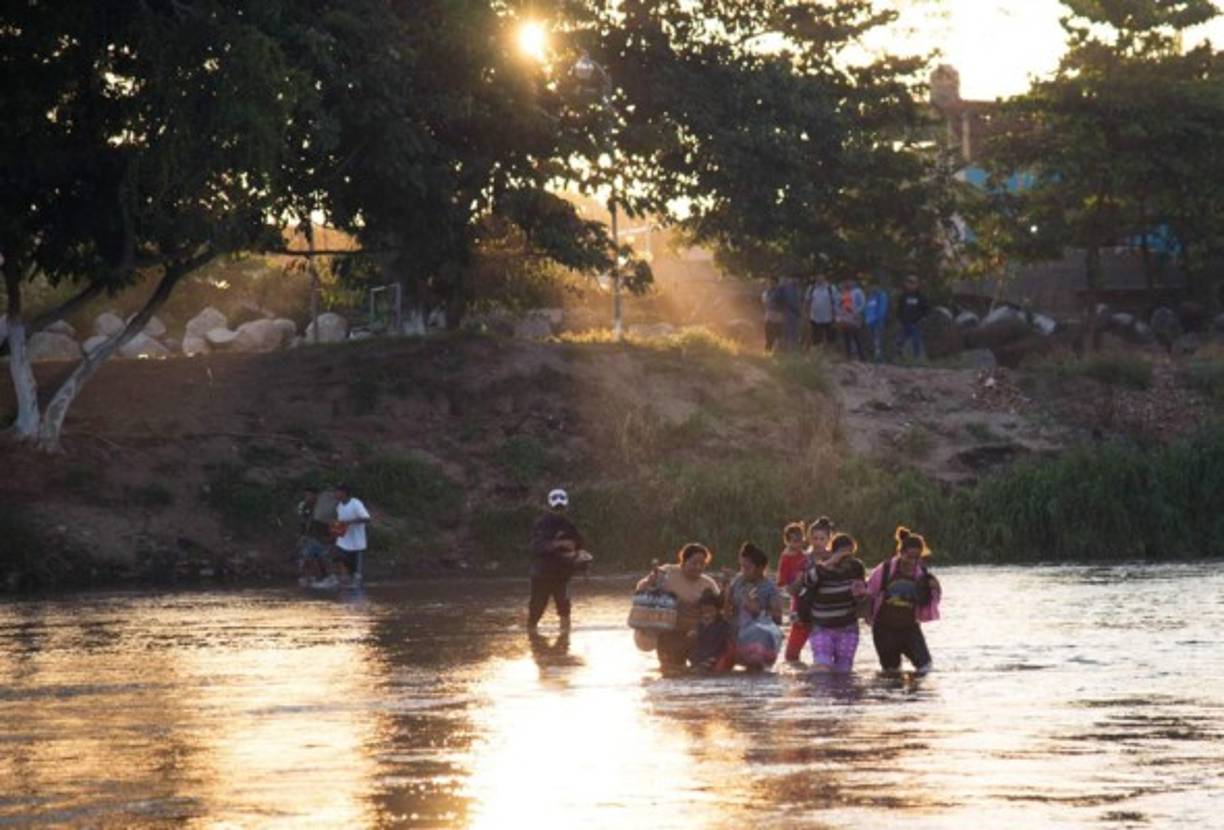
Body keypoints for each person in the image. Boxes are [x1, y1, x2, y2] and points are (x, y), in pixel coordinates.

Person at [864, 527, 942, 674]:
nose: (913, 561)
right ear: (901, 553)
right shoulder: (885, 570)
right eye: (909, 557)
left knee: (926, 668)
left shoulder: (923, 575)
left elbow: (931, 601)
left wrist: (936, 589)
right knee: (891, 673)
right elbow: (869, 593)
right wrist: (867, 617)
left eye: (917, 558)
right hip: (884, 630)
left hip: (910, 629)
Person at [636, 543, 721, 668]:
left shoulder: (708, 584)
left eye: (702, 564)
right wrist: (650, 581)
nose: (698, 567)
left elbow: (719, 610)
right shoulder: (667, 572)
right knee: (671, 669)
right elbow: (641, 589)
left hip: (696, 635)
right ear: (683, 561)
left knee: (702, 670)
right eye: (694, 563)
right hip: (669, 635)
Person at [797, 532, 868, 673]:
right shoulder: (821, 569)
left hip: (847, 627)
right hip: (821, 626)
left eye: (850, 554)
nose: (847, 559)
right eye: (843, 554)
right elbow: (806, 581)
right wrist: (830, 562)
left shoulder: (856, 568)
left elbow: (862, 601)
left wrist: (861, 596)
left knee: (844, 671)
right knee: (822, 668)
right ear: (834, 552)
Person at [528, 488, 590, 630]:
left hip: (562, 575)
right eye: (556, 508)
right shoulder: (541, 524)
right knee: (536, 609)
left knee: (564, 609)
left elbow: (579, 545)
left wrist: (580, 557)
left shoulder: (569, 525)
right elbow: (537, 547)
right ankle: (532, 633)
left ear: (566, 507)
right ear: (549, 507)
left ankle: (565, 637)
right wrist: (560, 544)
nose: (559, 512)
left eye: (561, 508)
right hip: (542, 575)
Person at [725, 542, 785, 670]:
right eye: (741, 566)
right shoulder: (738, 581)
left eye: (747, 567)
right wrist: (725, 592)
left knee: (755, 663)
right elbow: (726, 609)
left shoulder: (770, 589)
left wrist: (758, 611)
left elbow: (778, 619)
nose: (742, 571)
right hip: (737, 638)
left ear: (760, 568)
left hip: (760, 643)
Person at [776, 522, 812, 663]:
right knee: (791, 652)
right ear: (787, 541)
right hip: (797, 601)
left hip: (810, 598)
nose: (797, 543)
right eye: (794, 540)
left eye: (800, 539)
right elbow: (782, 583)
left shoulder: (807, 555)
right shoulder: (786, 558)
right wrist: (796, 582)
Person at [332, 482, 371, 585]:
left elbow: (367, 519)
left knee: (356, 575)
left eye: (337, 492)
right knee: (340, 564)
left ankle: (354, 589)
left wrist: (349, 522)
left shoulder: (355, 503)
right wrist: (336, 529)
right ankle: (343, 585)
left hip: (356, 545)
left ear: (344, 493)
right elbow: (341, 523)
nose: (335, 494)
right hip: (342, 543)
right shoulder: (339, 506)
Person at [689, 590, 734, 674]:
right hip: (703, 655)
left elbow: (721, 645)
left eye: (710, 610)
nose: (707, 614)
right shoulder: (700, 624)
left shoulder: (723, 624)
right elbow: (699, 644)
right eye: (704, 611)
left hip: (719, 655)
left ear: (717, 610)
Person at [296, 485, 332, 582]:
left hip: (322, 538)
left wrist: (330, 537)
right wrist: (302, 535)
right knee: (307, 558)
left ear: (316, 495)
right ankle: (308, 579)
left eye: (309, 495)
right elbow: (303, 522)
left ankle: (324, 578)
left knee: (322, 560)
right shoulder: (304, 506)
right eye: (306, 495)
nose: (307, 497)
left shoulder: (324, 507)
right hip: (310, 537)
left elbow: (330, 522)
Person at [895, 275, 930, 361]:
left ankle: (917, 358)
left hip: (916, 323)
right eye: (908, 282)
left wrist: (923, 319)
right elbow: (899, 309)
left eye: (912, 283)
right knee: (899, 340)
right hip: (904, 323)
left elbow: (926, 309)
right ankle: (899, 357)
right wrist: (898, 320)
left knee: (916, 340)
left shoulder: (921, 297)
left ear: (917, 284)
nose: (910, 285)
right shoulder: (904, 296)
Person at [834, 277, 867, 361]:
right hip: (844, 318)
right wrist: (840, 314)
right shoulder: (841, 293)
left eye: (849, 281)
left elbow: (862, 304)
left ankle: (862, 357)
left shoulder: (858, 292)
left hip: (854, 318)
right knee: (846, 337)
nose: (847, 283)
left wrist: (856, 312)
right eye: (845, 282)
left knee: (857, 337)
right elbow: (837, 305)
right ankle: (848, 356)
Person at [863, 276, 890, 363]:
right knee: (871, 341)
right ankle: (872, 358)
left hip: (878, 322)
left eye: (874, 286)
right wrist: (866, 319)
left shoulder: (881, 295)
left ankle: (879, 359)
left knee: (878, 341)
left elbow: (882, 309)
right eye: (871, 286)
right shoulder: (870, 296)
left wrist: (879, 319)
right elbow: (867, 308)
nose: (872, 288)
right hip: (869, 322)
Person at [806, 275, 837, 351]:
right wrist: (807, 314)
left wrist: (835, 315)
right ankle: (817, 352)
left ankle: (829, 351)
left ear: (825, 278)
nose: (820, 279)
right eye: (818, 277)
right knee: (816, 337)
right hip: (815, 317)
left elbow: (835, 302)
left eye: (822, 277)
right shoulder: (811, 288)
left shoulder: (831, 288)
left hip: (828, 317)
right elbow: (807, 301)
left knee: (830, 337)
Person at [762, 276, 787, 353]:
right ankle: (768, 350)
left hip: (777, 316)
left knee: (777, 335)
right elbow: (765, 303)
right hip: (769, 314)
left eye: (772, 282)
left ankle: (776, 351)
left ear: (776, 283)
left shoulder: (780, 292)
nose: (770, 284)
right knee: (768, 334)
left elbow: (783, 304)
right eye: (770, 283)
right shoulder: (767, 292)